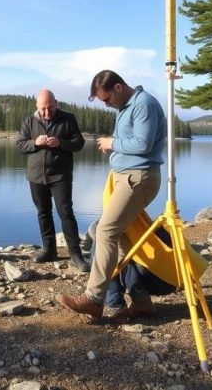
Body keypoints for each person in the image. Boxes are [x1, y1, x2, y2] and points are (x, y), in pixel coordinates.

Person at [57, 70, 166, 318]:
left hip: (139, 179)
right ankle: (140, 300)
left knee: (105, 231)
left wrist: (112, 143)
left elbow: (143, 144)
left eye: (107, 99)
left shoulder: (144, 104)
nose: (106, 105)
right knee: (123, 238)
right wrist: (115, 148)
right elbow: (132, 140)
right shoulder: (125, 107)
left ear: (118, 87)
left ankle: (94, 299)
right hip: (126, 177)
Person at [15, 89, 89, 271]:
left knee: (66, 212)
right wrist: (35, 143)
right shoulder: (29, 121)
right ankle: (49, 250)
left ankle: (76, 255)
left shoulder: (68, 119)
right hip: (36, 176)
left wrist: (61, 143)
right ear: (37, 106)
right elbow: (20, 145)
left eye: (51, 107)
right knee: (43, 212)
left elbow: (79, 143)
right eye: (43, 109)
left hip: (60, 176)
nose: (47, 112)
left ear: (56, 103)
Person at [86, 219, 176, 322]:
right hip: (176, 280)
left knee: (106, 250)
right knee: (116, 250)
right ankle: (141, 302)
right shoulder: (143, 223)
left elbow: (112, 262)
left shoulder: (119, 227)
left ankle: (112, 306)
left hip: (157, 280)